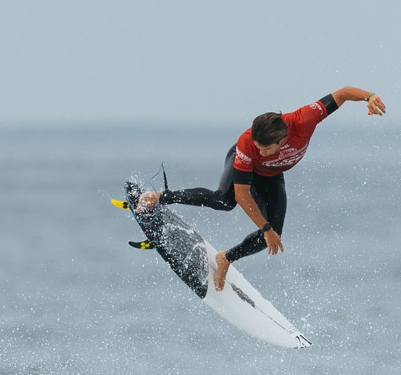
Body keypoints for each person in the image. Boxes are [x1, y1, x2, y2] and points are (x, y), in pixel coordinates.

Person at [138, 86, 386, 290]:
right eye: (258, 146)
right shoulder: (248, 145)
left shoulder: (304, 120)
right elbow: (241, 194)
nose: (260, 151)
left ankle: (225, 258)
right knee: (224, 201)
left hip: (273, 175)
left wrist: (370, 96)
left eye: (266, 149)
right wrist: (264, 227)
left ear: (283, 138)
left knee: (274, 236)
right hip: (243, 167)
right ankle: (160, 196)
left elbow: (341, 94)